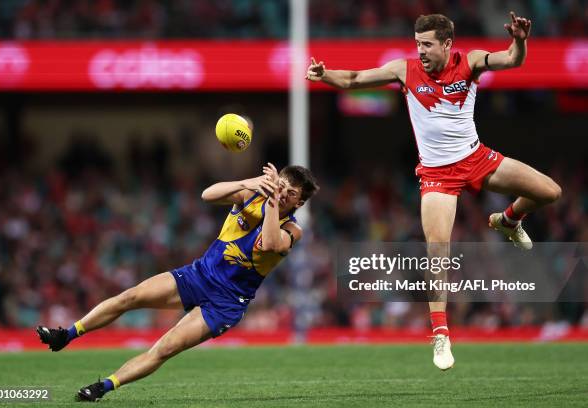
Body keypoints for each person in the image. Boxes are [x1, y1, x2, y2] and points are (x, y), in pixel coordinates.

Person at [306, 12, 561, 370]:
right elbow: (353, 79)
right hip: (437, 174)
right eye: (417, 44)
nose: (420, 50)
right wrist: (324, 75)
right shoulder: (403, 70)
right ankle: (441, 334)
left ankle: (508, 220)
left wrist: (519, 40)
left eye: (427, 44)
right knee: (438, 250)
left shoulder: (469, 62)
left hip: (477, 158)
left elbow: (511, 59)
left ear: (447, 44)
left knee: (549, 192)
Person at [36, 163, 319, 401]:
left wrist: (271, 201)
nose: (282, 193)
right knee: (129, 297)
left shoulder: (292, 229)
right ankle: (67, 335)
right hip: (198, 275)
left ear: (299, 202)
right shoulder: (251, 194)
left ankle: (101, 387)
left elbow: (269, 243)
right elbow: (208, 195)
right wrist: (251, 182)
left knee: (165, 347)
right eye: (280, 185)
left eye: (290, 193)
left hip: (226, 303)